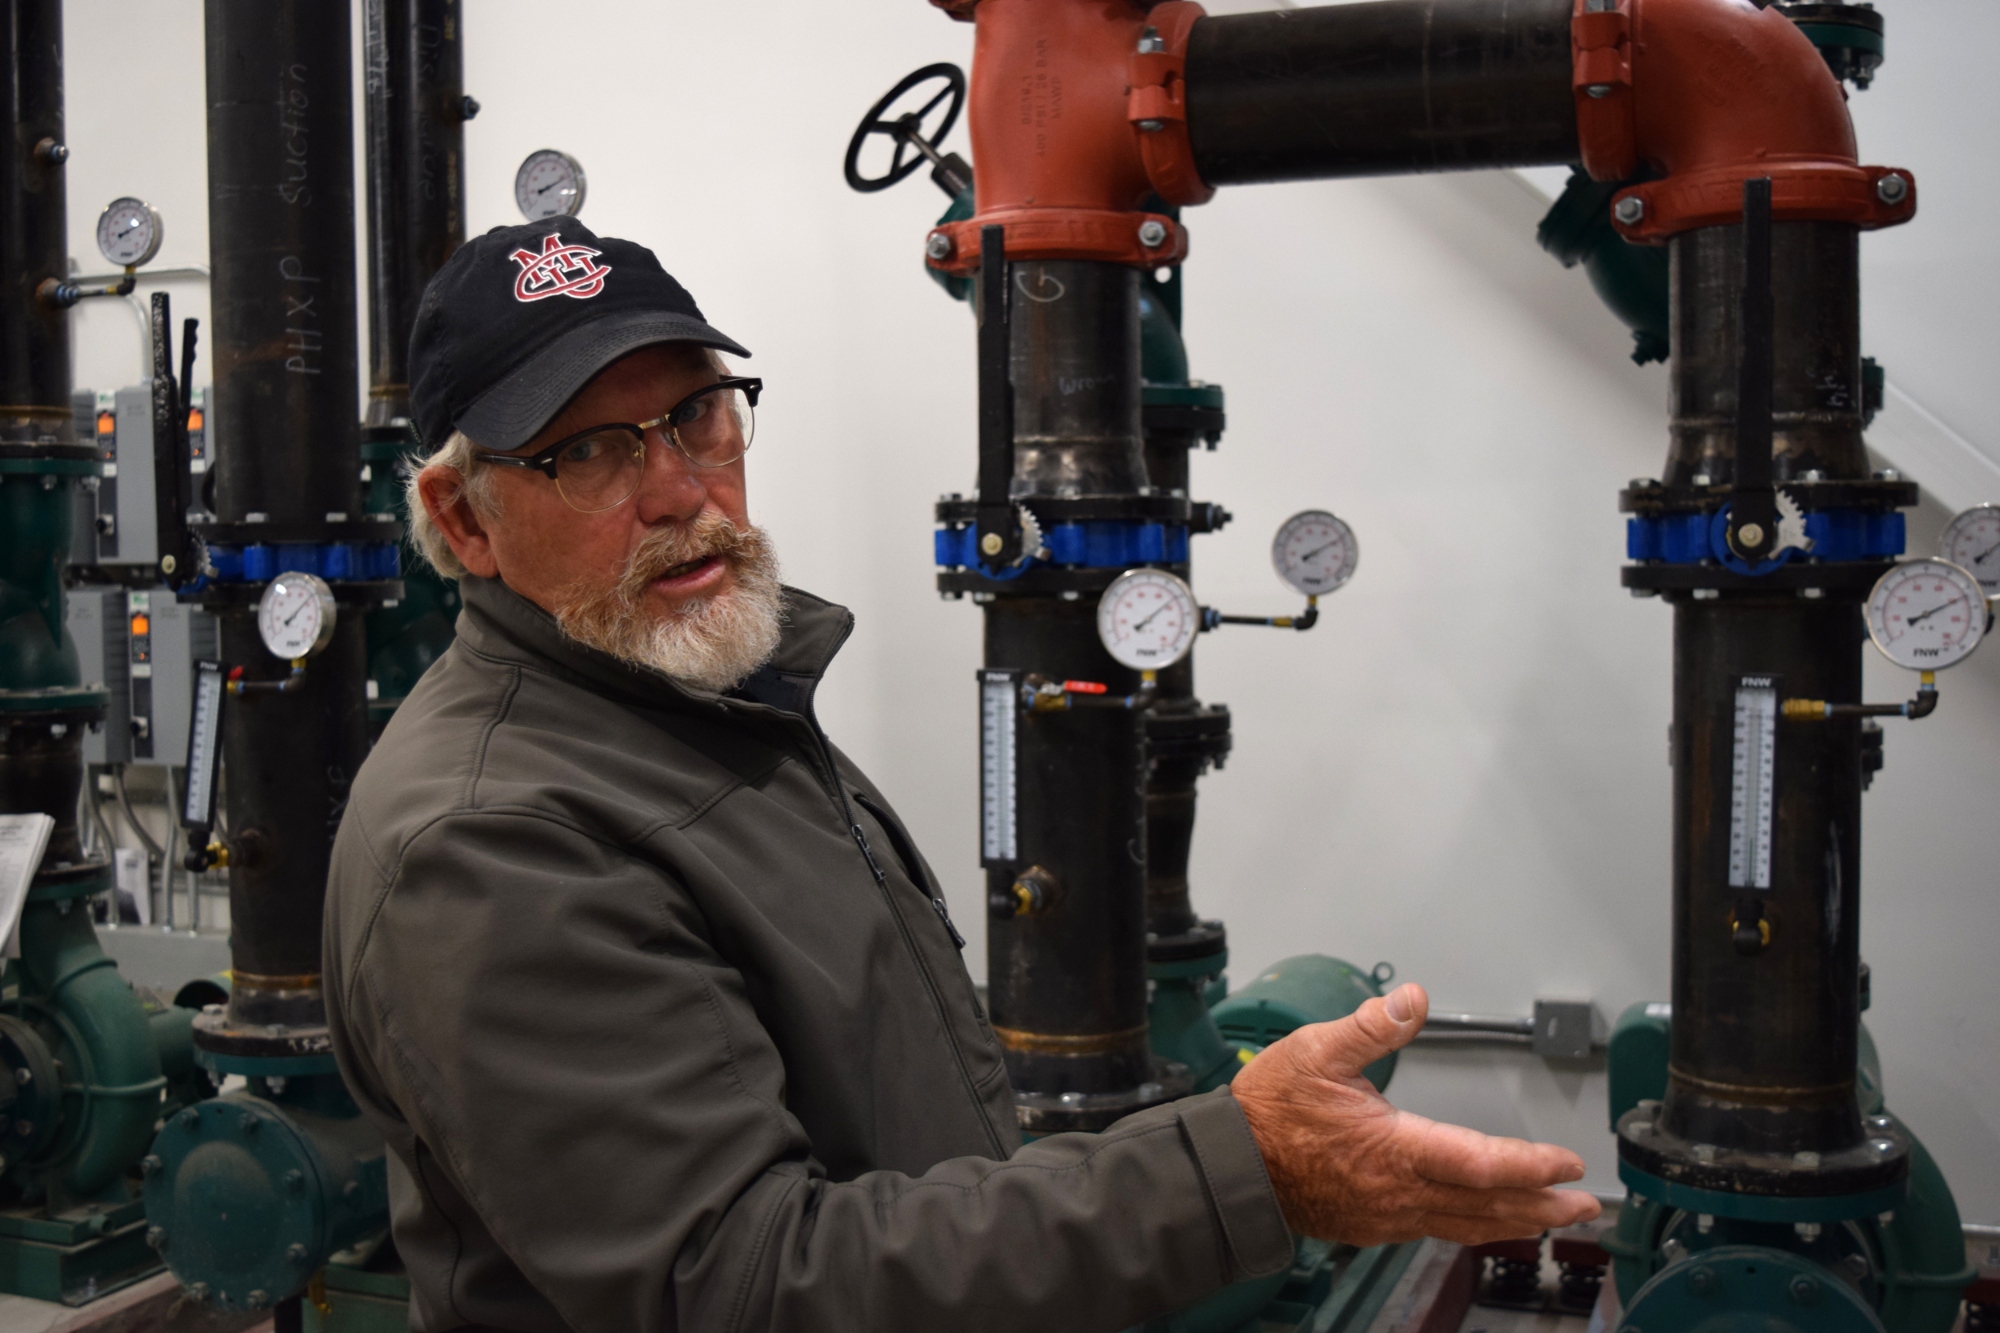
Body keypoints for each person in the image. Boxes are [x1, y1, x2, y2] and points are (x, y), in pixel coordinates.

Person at [324, 220, 1598, 1333]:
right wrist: (1241, 1172)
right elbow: (748, 1286)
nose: (678, 489)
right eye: (590, 452)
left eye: (697, 413)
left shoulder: (705, 703)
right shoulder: (489, 844)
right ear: (465, 520)